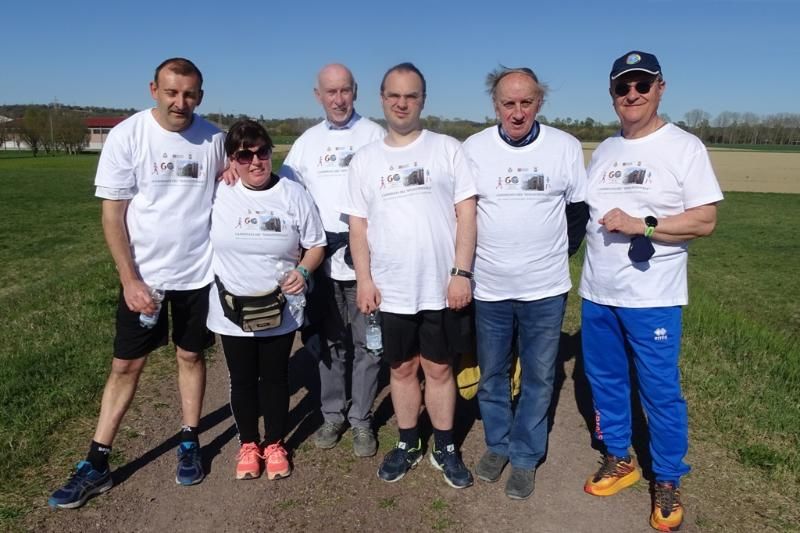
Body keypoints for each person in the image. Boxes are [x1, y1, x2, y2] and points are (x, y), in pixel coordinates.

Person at [49, 58, 227, 509]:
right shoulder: (128, 135)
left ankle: (189, 441)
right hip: (145, 278)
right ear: (154, 90)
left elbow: (235, 182)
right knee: (126, 366)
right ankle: (97, 463)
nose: (180, 102)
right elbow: (113, 214)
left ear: (200, 96)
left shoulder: (215, 140)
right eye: (171, 92)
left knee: (190, 356)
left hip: (198, 275)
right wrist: (129, 279)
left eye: (189, 94)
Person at [579, 51, 722, 531]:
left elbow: (705, 220)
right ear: (612, 95)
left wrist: (645, 225)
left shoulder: (684, 147)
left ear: (660, 88)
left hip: (653, 297)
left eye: (642, 84)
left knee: (660, 392)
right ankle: (619, 458)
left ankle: (667, 478)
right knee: (605, 382)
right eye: (623, 87)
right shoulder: (604, 150)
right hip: (598, 292)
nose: (633, 94)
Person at [341, 62, 478, 489]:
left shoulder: (447, 149)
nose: (402, 104)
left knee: (439, 369)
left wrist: (461, 272)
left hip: (440, 287)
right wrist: (365, 279)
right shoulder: (365, 160)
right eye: (395, 96)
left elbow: (467, 214)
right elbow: (358, 226)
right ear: (382, 99)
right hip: (391, 288)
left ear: (423, 100)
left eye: (411, 96)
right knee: (401, 370)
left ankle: (445, 447)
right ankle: (407, 442)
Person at [462, 66, 588, 500]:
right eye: (508, 103)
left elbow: (578, 212)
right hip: (490, 288)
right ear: (495, 106)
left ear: (540, 103)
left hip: (545, 290)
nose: (517, 113)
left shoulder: (565, 147)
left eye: (526, 102)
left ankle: (525, 455)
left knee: (538, 376)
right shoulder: (474, 149)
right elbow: (462, 213)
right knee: (493, 374)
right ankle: (498, 444)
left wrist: (552, 257)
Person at [209, 120, 325, 480]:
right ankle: (248, 444)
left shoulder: (293, 193)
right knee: (242, 379)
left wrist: (303, 271)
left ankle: (274, 443)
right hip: (231, 308)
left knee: (275, 377)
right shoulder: (218, 191)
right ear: (232, 160)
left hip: (280, 306)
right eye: (244, 156)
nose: (255, 161)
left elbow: (316, 244)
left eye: (262, 152)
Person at [279, 64, 386, 457]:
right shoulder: (306, 144)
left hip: (365, 262)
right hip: (322, 261)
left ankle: (361, 419)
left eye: (345, 91)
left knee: (369, 343)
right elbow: (283, 195)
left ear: (355, 91)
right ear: (318, 95)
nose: (339, 100)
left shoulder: (375, 136)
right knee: (328, 343)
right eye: (331, 92)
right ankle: (332, 414)